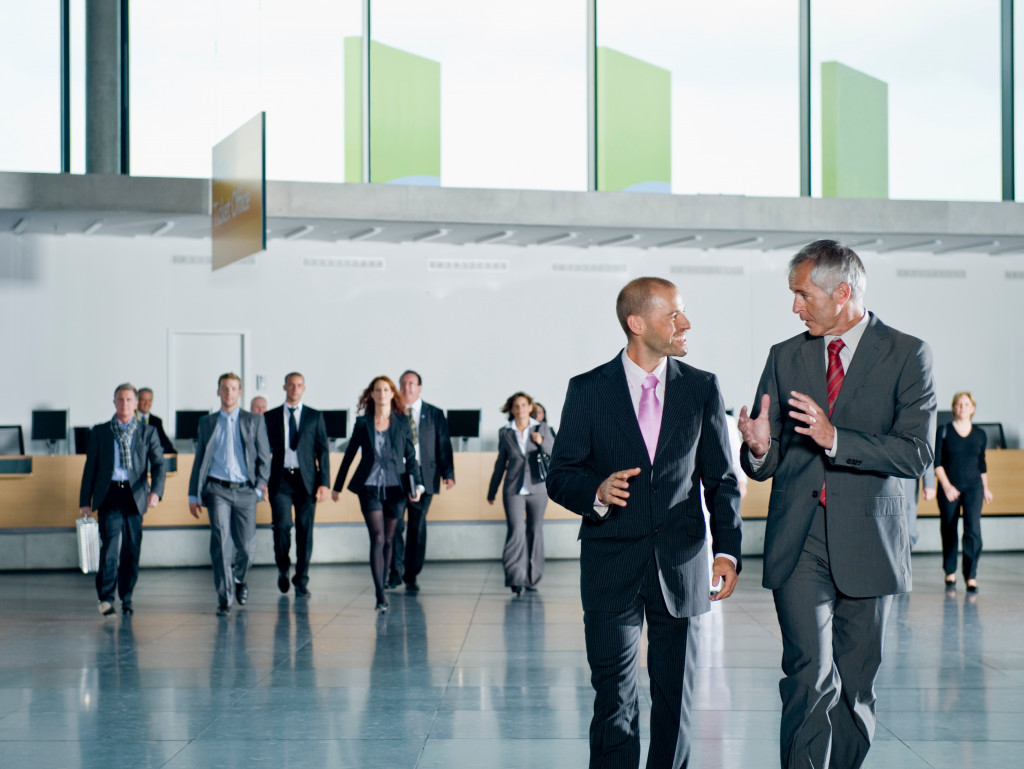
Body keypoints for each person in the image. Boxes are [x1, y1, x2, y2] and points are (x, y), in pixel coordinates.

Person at [737, 240, 936, 769]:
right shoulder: (785, 356)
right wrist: (757, 448)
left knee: (855, 686)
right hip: (800, 539)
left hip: (871, 541)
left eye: (802, 295)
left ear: (842, 292)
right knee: (807, 673)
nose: (795, 308)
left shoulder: (908, 354)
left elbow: (916, 453)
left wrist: (835, 438)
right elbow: (769, 454)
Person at [547, 276, 742, 769]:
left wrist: (727, 550)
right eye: (673, 315)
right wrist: (594, 490)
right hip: (611, 565)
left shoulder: (700, 388)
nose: (685, 324)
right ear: (637, 323)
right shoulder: (588, 389)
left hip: (682, 566)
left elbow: (720, 479)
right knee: (613, 698)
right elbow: (561, 474)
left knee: (675, 701)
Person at [332, 376, 422, 612]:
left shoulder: (403, 422)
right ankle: (380, 595)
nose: (382, 393)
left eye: (386, 389)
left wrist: (417, 487)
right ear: (371, 395)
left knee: (390, 539)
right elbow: (350, 454)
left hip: (397, 488)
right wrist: (337, 486)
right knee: (378, 538)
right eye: (377, 390)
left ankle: (384, 581)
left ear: (392, 394)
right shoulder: (363, 423)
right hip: (369, 487)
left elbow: (411, 458)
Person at [79, 383, 166, 616]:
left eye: (129, 400)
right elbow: (90, 468)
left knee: (131, 550)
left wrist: (155, 492)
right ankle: (106, 598)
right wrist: (85, 501)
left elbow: (159, 464)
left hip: (135, 495)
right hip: (109, 495)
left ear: (136, 403)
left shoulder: (147, 432)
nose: (125, 404)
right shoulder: (100, 431)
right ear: (114, 402)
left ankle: (126, 596)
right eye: (120, 399)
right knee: (109, 549)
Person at [188, 373, 270, 616]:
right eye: (224, 388)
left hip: (246, 490)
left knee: (246, 548)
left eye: (233, 388)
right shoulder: (207, 422)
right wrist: (194, 494)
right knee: (221, 543)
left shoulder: (253, 420)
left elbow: (264, 458)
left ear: (240, 392)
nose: (229, 393)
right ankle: (225, 598)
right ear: (218, 392)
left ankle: (239, 578)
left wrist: (259, 487)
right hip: (217, 490)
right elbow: (199, 460)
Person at [387, 370, 455, 592]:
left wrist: (448, 473)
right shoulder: (392, 412)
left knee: (417, 526)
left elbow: (443, 444)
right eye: (403, 383)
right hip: (397, 476)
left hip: (425, 476)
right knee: (395, 524)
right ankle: (395, 571)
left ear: (420, 387)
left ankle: (411, 573)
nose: (407, 387)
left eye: (412, 383)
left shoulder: (434, 413)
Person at [264, 372, 330, 598]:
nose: (294, 388)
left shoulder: (314, 416)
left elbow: (323, 451)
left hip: (306, 482)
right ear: (284, 387)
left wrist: (325, 483)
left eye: (299, 385)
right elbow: (263, 452)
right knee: (281, 526)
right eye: (291, 384)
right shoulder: (270, 416)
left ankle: (301, 579)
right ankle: (283, 568)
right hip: (280, 480)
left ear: (304, 388)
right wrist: (261, 481)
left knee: (305, 531)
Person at [487, 391, 555, 594]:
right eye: (516, 406)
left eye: (523, 405)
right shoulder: (505, 432)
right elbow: (500, 463)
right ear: (511, 409)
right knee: (516, 531)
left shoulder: (542, 428)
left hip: (537, 489)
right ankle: (516, 578)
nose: (520, 409)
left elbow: (556, 450)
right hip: (513, 488)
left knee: (535, 530)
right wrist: (492, 490)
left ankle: (533, 578)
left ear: (530, 407)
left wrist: (542, 440)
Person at [934, 392, 993, 592]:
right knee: (949, 529)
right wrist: (947, 486)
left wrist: (986, 488)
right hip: (949, 488)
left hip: (974, 488)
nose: (962, 407)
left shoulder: (980, 434)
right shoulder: (943, 431)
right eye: (959, 404)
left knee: (973, 531)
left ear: (973, 408)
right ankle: (950, 572)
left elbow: (982, 464)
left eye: (966, 404)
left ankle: (971, 575)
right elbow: (937, 462)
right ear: (953, 408)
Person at [136, 387, 176, 454]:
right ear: (137, 401)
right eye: (143, 400)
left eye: (149, 400)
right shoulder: (130, 418)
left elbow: (166, 445)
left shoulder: (156, 421)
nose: (147, 403)